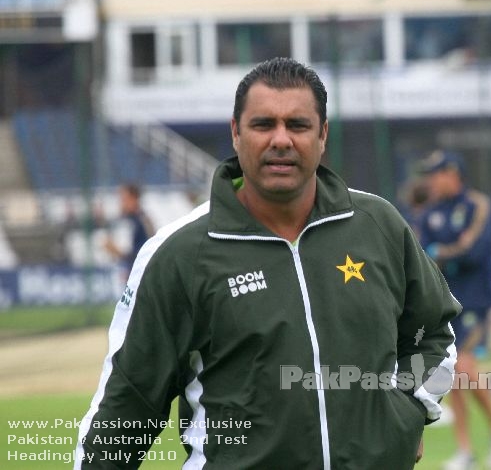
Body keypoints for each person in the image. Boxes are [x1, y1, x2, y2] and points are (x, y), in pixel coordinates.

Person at [74, 57, 461, 469]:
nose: (281, 140)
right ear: (236, 133)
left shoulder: (377, 225)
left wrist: (410, 409)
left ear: (322, 135)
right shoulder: (180, 253)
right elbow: (125, 406)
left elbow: (435, 333)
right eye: (263, 125)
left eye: (297, 125)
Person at [418, 150, 491, 470]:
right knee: (451, 375)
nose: (432, 180)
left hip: (474, 302)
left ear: (453, 173)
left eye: (437, 174)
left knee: (465, 370)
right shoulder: (431, 212)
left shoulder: (478, 206)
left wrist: (443, 253)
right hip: (445, 304)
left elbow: (474, 252)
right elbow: (423, 253)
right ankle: (466, 450)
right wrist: (447, 253)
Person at [102, 183, 154, 277]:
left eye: (124, 199)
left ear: (134, 199)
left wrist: (120, 254)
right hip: (126, 273)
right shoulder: (123, 220)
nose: (121, 203)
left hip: (140, 276)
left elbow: (149, 251)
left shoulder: (142, 220)